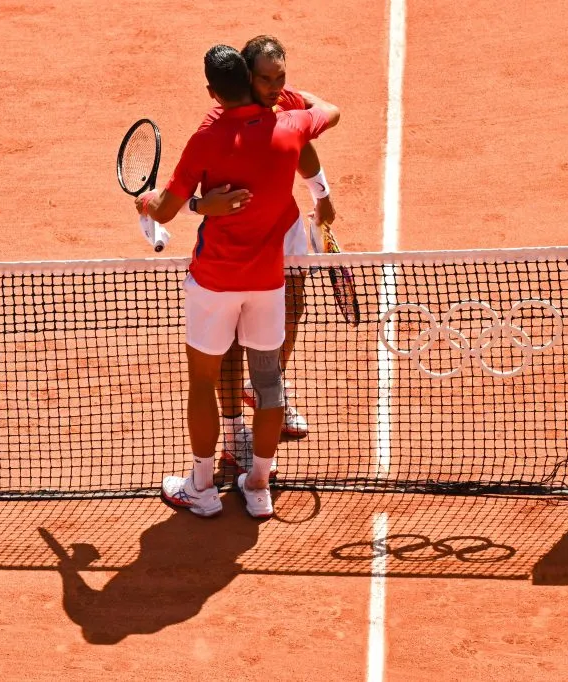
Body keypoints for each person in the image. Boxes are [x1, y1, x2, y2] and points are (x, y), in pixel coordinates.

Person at [136, 45, 340, 519]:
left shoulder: (205, 138)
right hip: (267, 283)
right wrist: (294, 98)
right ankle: (259, 487)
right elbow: (328, 111)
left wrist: (153, 204)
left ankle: (203, 489)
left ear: (212, 91)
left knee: (202, 381)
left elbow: (164, 209)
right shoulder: (290, 127)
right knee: (268, 384)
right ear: (250, 78)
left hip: (213, 283)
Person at [190, 36, 339, 470]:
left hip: (285, 226)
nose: (276, 87)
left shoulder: (283, 102)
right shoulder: (218, 123)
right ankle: (235, 428)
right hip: (237, 245)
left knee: (291, 310)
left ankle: (268, 388)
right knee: (234, 341)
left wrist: (321, 192)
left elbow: (301, 139)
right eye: (266, 79)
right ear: (245, 77)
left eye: (281, 77)